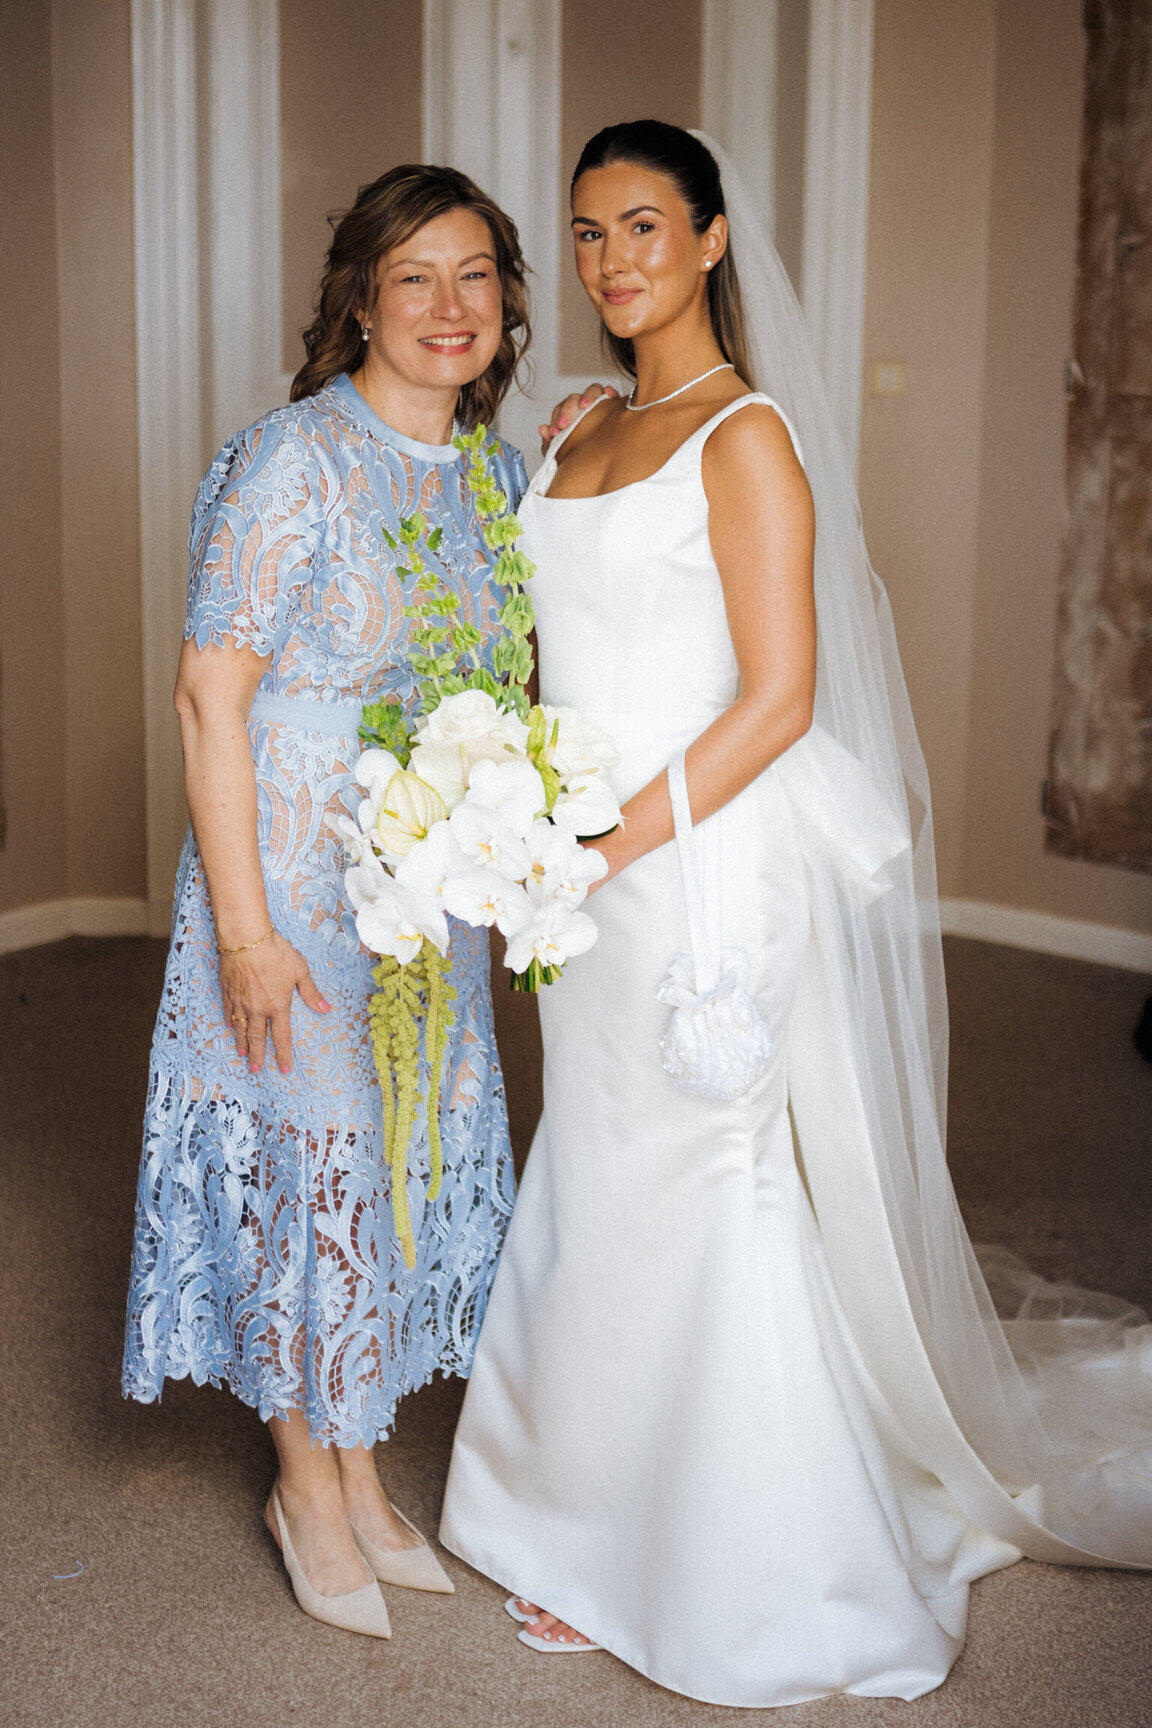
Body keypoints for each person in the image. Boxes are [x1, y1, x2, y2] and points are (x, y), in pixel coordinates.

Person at [440, 121, 1152, 1705]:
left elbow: (777, 701)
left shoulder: (747, 439)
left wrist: (598, 847)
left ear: (707, 241)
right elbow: (562, 650)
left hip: (692, 863)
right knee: (604, 1161)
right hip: (584, 866)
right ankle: (574, 1506)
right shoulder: (574, 433)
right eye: (584, 235)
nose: (611, 261)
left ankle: (736, 1557)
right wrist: (508, 813)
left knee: (705, 1170)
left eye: (640, 226)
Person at [123, 164, 530, 1638]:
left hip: (424, 900)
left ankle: (361, 1463)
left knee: (388, 1167)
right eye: (412, 276)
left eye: (475, 274)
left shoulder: (496, 475)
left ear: (507, 305)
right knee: (310, 1173)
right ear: (361, 297)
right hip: (287, 883)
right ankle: (305, 1475)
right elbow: (206, 696)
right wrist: (243, 928)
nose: (446, 306)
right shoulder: (291, 460)